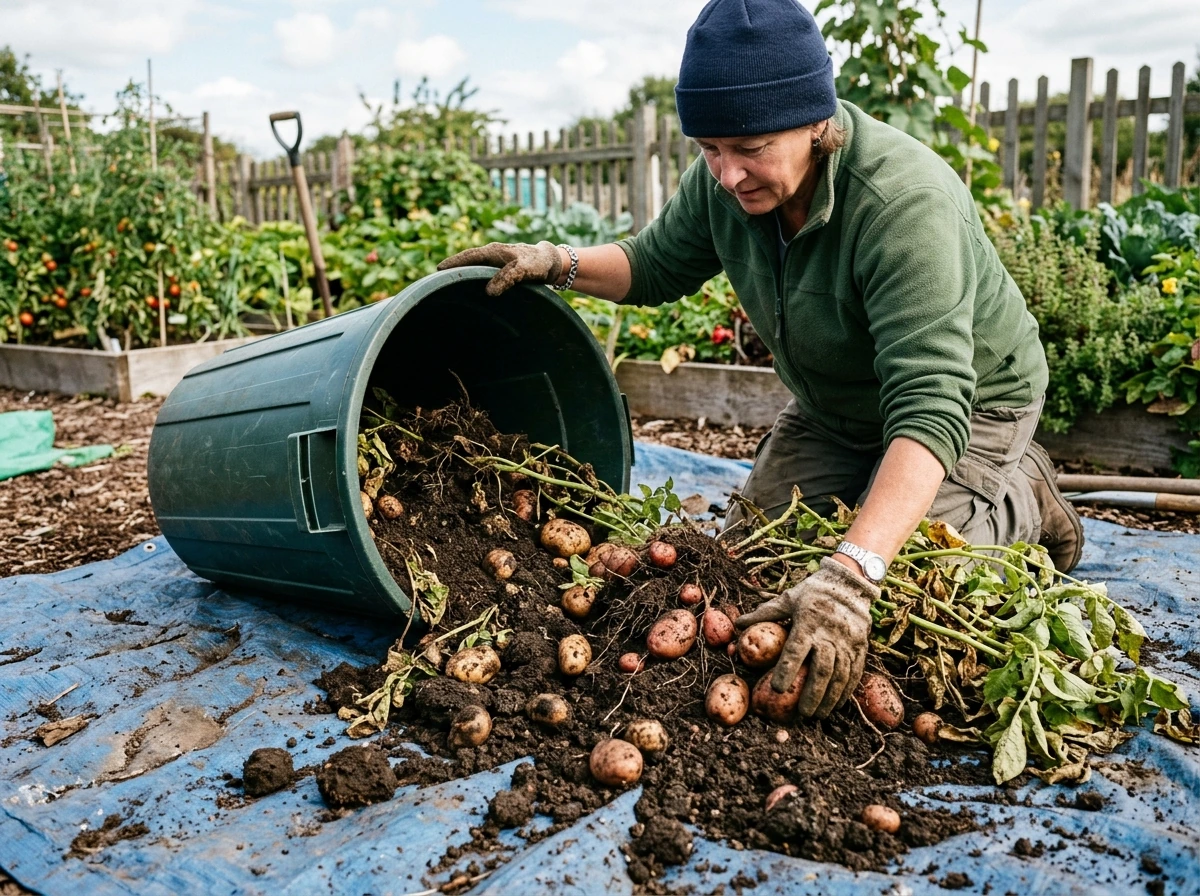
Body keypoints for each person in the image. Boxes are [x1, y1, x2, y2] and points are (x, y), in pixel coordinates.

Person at [438, 0, 1082, 721]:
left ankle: (1025, 495)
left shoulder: (904, 205)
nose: (727, 175)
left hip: (969, 406)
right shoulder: (725, 180)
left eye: (749, 148)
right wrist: (554, 261)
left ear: (817, 123)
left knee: (902, 593)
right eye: (710, 148)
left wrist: (853, 574)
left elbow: (930, 403)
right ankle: (875, 497)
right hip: (838, 409)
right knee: (747, 573)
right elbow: (651, 266)